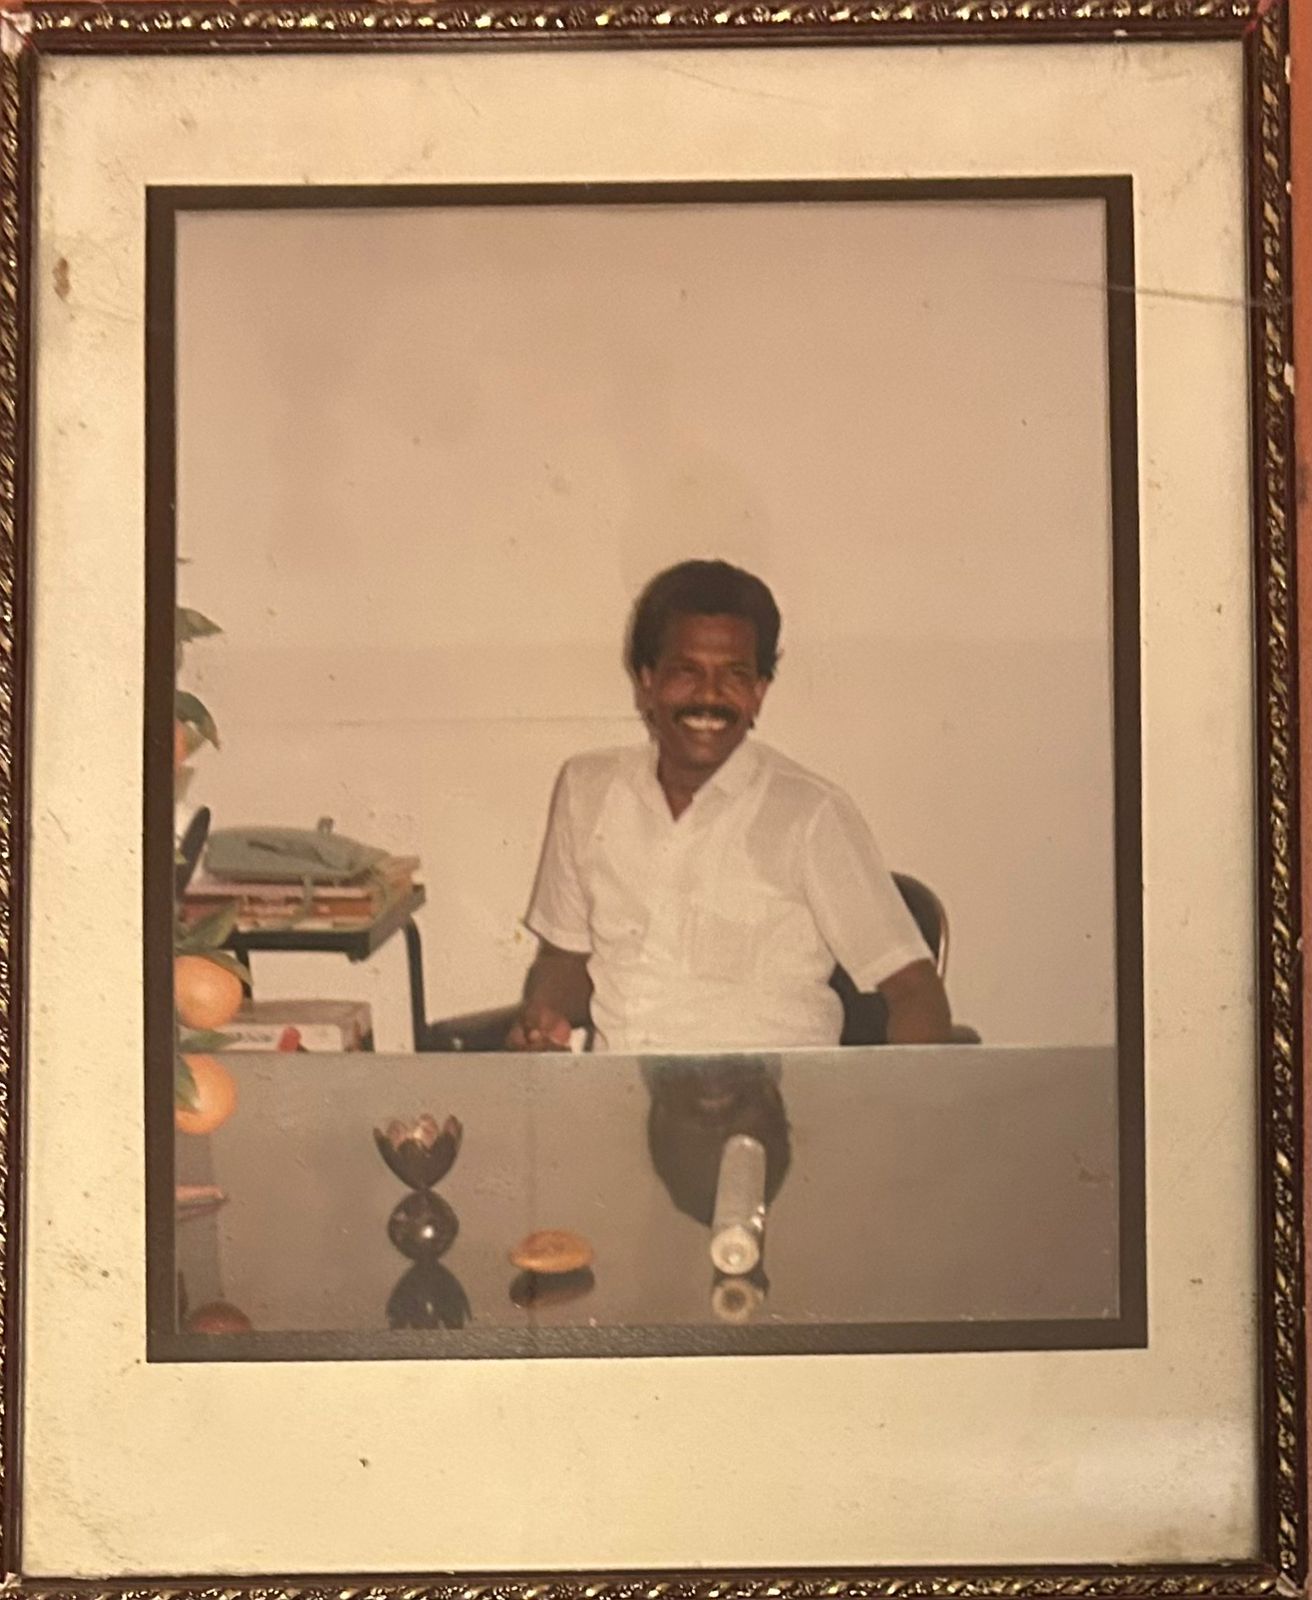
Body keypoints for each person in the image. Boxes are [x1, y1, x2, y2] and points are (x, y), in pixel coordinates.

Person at [507, 559, 953, 1052]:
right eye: (687, 672)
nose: (710, 695)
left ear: (759, 693)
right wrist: (543, 1016)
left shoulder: (810, 814)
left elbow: (914, 991)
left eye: (735, 675)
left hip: (770, 1094)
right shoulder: (587, 789)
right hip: (621, 1090)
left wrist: (903, 1097)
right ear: (647, 681)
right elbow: (564, 959)